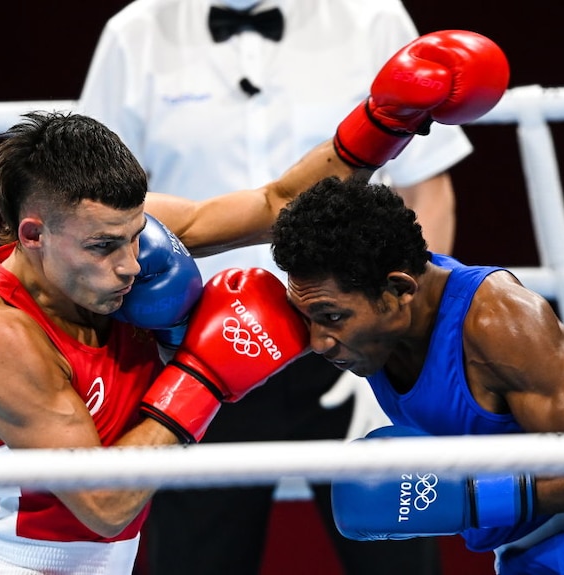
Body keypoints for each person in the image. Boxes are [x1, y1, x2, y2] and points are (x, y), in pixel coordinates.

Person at [0, 30, 510, 574]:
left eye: (134, 234)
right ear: (32, 236)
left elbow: (279, 201)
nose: (130, 264)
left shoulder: (118, 247)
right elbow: (104, 504)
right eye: (103, 246)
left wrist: (381, 124)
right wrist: (203, 375)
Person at [77, 1, 475, 572]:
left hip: (356, 343)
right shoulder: (134, 34)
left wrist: (401, 341)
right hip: (197, 345)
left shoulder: (373, 18)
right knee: (197, 558)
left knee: (398, 555)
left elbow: (427, 190)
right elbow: (100, 208)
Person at [269, 178, 564, 575]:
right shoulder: (376, 331)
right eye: (308, 318)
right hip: (528, 559)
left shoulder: (500, 322)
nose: (320, 341)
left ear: (399, 291)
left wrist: (470, 499)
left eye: (331, 317)